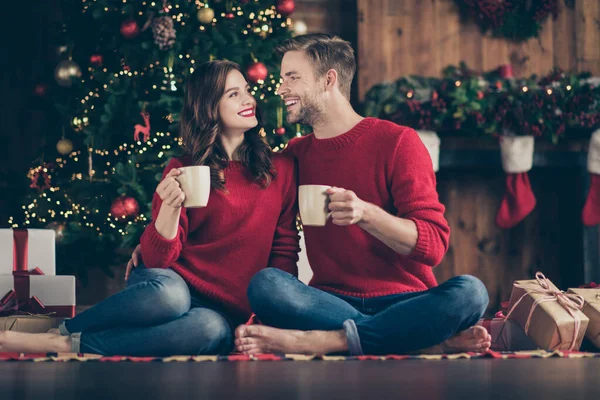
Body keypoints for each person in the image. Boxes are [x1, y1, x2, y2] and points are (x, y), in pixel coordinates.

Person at [0, 60, 299, 356]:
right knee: (171, 297)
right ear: (209, 107)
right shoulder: (182, 168)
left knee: (210, 330)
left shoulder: (280, 170)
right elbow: (158, 260)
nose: (249, 99)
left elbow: (283, 252)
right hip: (170, 283)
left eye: (247, 90)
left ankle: (66, 344)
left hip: (223, 310)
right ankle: (64, 331)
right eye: (233, 94)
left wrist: (272, 314)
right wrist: (169, 207)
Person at [234, 34, 491, 356]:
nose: (280, 88)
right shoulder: (295, 155)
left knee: (471, 292)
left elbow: (433, 245)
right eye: (282, 78)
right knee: (266, 284)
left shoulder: (398, 142)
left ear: (329, 80)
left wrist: (366, 214)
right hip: (329, 301)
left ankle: (331, 341)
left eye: (292, 78)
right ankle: (417, 341)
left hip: (405, 299)